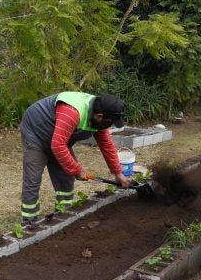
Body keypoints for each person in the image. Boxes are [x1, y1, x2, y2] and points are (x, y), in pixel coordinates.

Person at [20, 91, 130, 224]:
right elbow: (58, 145)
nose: (110, 126)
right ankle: (29, 222)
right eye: (110, 122)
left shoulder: (99, 118)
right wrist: (77, 170)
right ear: (100, 116)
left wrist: (118, 172)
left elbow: (106, 144)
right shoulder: (72, 112)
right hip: (36, 132)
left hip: (58, 138)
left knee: (66, 178)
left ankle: (63, 213)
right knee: (33, 178)